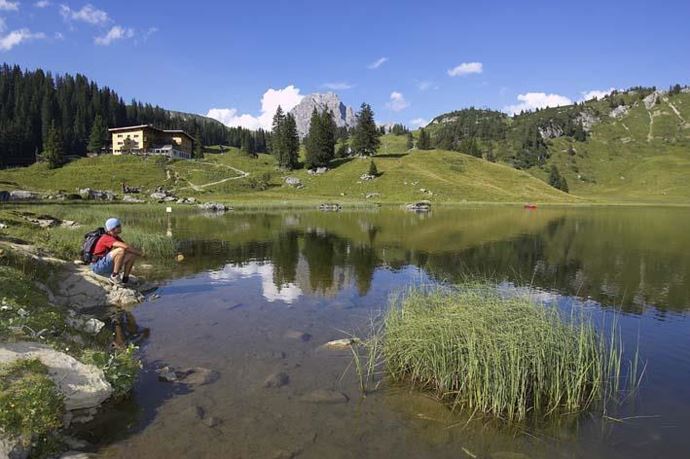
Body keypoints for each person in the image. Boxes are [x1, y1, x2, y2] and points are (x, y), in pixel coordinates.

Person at [91, 218, 143, 285]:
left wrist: (134, 251)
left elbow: (127, 248)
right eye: (118, 226)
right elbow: (125, 247)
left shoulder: (115, 237)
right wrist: (141, 254)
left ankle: (125, 279)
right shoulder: (106, 237)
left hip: (105, 264)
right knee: (120, 250)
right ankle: (114, 277)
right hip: (97, 266)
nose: (120, 227)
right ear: (112, 228)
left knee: (132, 254)